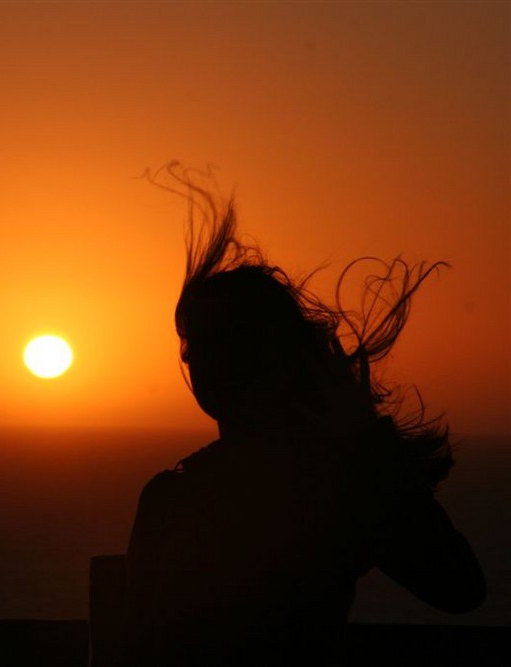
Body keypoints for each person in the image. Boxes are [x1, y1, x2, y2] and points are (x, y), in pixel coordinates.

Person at [124, 165, 486, 665]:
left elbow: (460, 588)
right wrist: (366, 444)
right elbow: (460, 588)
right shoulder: (333, 488)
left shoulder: (186, 496)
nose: (203, 361)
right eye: (197, 346)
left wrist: (365, 447)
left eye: (221, 344)